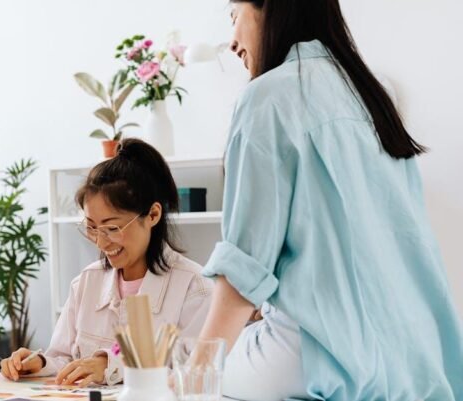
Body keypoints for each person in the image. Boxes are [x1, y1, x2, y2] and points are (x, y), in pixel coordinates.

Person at [195, 1, 463, 400]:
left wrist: (189, 377)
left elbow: (243, 269)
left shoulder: (266, 98)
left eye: (234, 16)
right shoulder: (373, 97)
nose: (232, 42)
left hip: (322, 356)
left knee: (199, 375)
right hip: (412, 360)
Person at [0, 138, 214, 386]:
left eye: (112, 227)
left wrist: (114, 366)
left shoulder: (195, 289)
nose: (101, 243)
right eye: (91, 227)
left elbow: (195, 376)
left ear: (153, 214)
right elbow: (63, 358)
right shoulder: (86, 283)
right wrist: (39, 364)